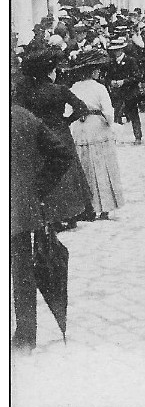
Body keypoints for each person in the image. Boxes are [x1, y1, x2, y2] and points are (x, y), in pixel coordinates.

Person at [11, 105, 80, 354]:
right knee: (22, 273)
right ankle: (25, 337)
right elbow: (62, 155)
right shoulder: (22, 115)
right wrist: (36, 189)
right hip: (17, 209)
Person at [13, 47, 93, 230]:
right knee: (67, 173)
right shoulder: (60, 90)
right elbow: (82, 108)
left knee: (45, 171)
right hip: (61, 132)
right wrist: (66, 120)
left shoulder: (27, 92)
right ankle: (71, 214)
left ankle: (51, 215)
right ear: (50, 73)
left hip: (40, 135)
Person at [68, 50, 124, 220]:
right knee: (101, 167)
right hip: (97, 127)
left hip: (80, 128)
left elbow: (68, 111)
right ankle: (104, 207)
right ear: (92, 71)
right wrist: (109, 123)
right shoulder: (100, 88)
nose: (99, 72)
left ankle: (86, 208)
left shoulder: (74, 88)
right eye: (97, 69)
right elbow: (108, 112)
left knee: (84, 167)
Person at [107, 38, 144, 144]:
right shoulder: (111, 62)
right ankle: (115, 137)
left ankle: (138, 137)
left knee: (133, 115)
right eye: (114, 50)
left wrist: (124, 81)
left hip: (130, 92)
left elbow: (137, 77)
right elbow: (107, 77)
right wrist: (111, 82)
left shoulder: (131, 61)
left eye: (117, 50)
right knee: (116, 114)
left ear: (122, 50)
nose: (115, 52)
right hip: (117, 93)